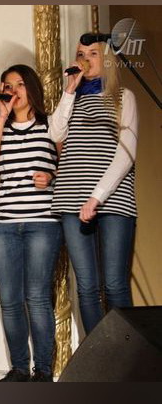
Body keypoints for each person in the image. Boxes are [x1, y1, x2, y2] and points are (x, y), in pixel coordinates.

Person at [0, 64, 78, 382]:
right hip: (6, 223)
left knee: (36, 297)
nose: (14, 91)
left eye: (20, 84)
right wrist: (1, 117)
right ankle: (19, 368)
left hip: (42, 222)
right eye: (8, 86)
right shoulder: (1, 127)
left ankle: (43, 370)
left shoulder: (50, 124)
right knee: (9, 300)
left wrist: (51, 176)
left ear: (32, 88)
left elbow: (67, 165)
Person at [51, 34, 139, 334]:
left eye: (93, 53)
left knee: (114, 284)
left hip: (113, 199)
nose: (85, 59)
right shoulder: (72, 98)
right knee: (87, 287)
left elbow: (126, 153)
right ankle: (99, 355)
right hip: (71, 197)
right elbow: (55, 134)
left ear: (107, 59)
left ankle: (126, 356)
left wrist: (97, 197)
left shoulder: (123, 96)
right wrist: (68, 91)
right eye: (80, 54)